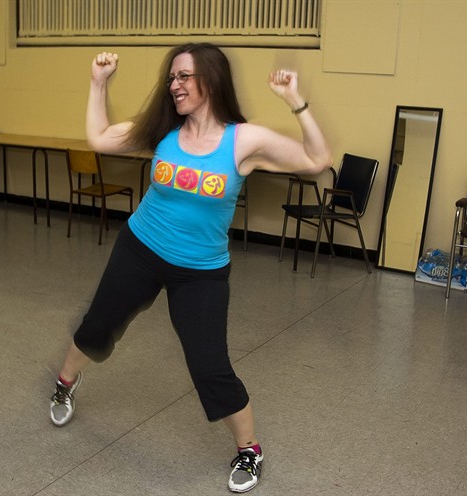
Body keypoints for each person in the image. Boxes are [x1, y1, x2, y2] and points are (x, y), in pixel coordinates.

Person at [50, 43, 332, 493]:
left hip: (199, 270)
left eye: (184, 76)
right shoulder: (162, 130)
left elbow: (319, 160)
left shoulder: (243, 141)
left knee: (209, 365)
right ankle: (65, 381)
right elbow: (99, 138)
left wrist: (295, 102)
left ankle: (249, 450)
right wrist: (98, 84)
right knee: (98, 326)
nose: (174, 85)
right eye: (172, 78)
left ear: (211, 79)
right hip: (139, 249)